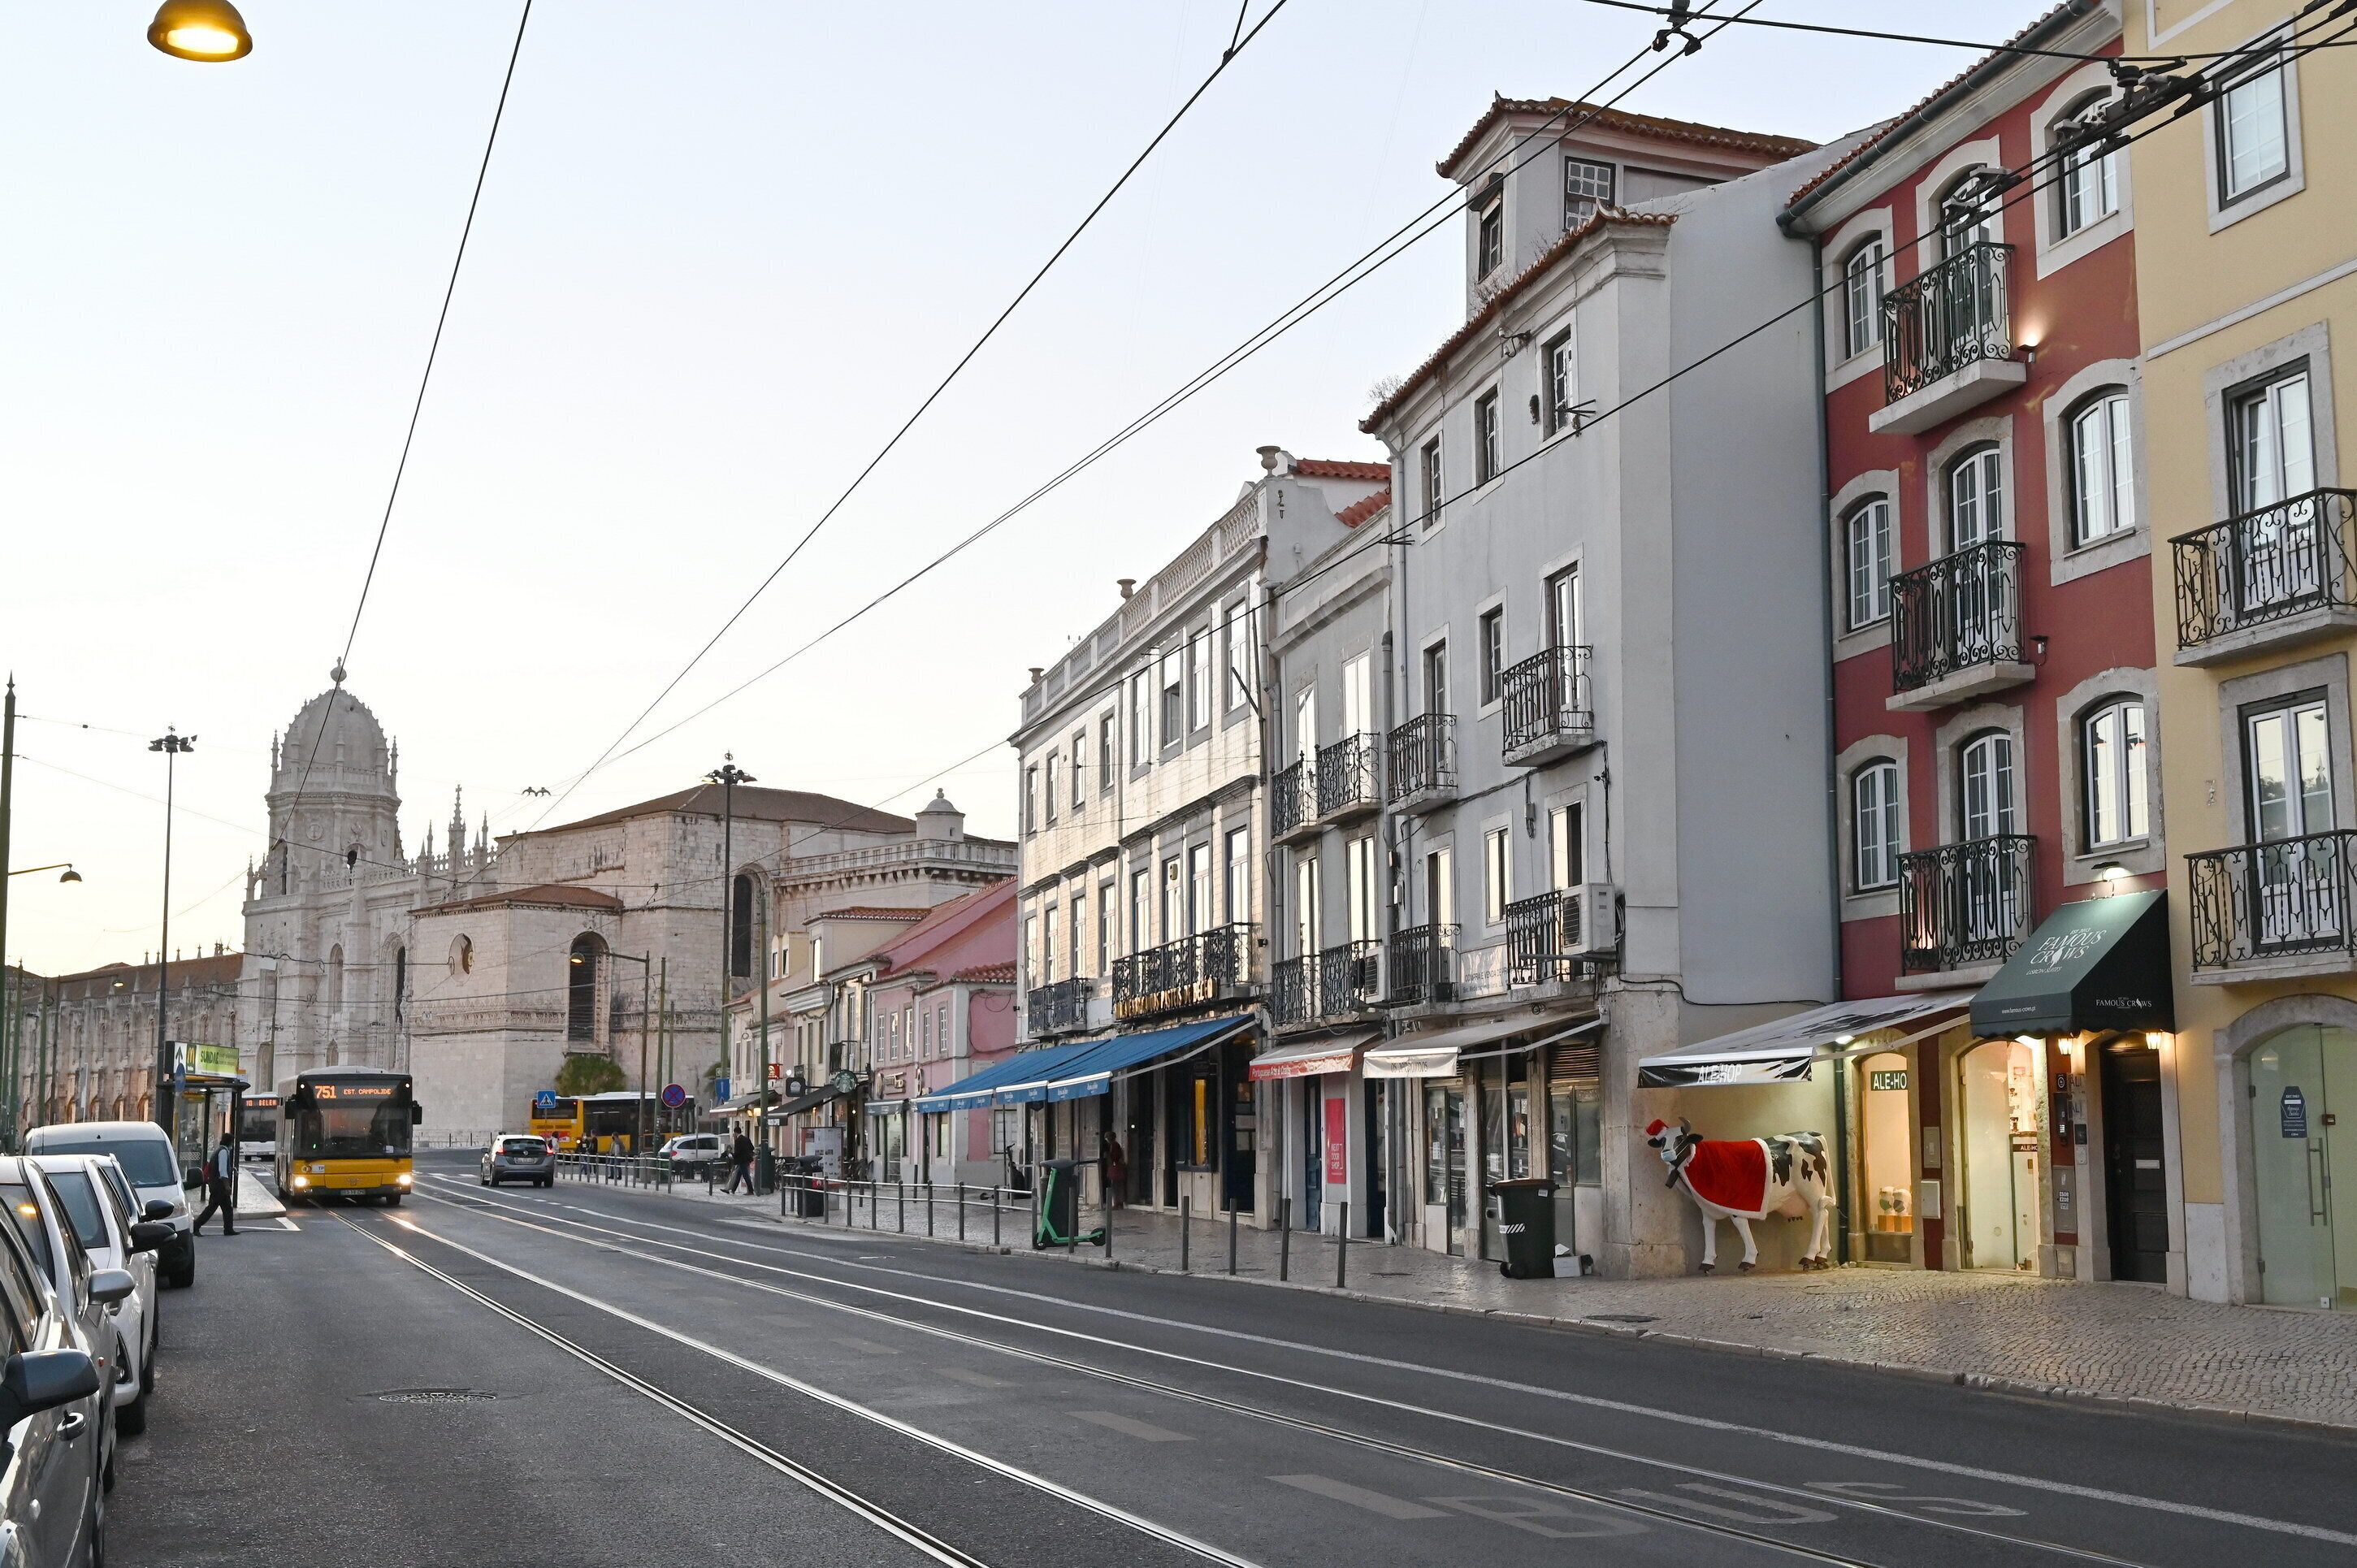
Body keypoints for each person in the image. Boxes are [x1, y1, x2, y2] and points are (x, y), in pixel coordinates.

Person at [193, 1131, 238, 1237]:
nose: (233, 1145)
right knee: (216, 1208)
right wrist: (227, 1186)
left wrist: (230, 1169)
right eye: (232, 1142)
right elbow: (222, 1170)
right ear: (230, 1142)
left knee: (224, 1207)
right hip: (219, 1186)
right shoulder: (223, 1152)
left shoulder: (218, 1151)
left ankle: (228, 1229)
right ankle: (196, 1225)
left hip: (215, 1184)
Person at [1099, 1131, 1127, 1211]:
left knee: (1116, 1186)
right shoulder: (1113, 1145)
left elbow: (1114, 1157)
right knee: (1116, 1186)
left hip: (1115, 1168)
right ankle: (1117, 1203)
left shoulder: (1114, 1145)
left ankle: (1117, 1203)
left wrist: (1109, 1157)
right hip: (1115, 1168)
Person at [725, 1128, 756, 1193]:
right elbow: (752, 1148)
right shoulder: (746, 1139)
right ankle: (733, 1190)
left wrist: (732, 1155)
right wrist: (747, 1153)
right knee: (738, 1175)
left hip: (741, 1160)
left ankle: (751, 1191)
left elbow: (737, 1152)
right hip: (747, 1159)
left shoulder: (738, 1140)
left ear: (735, 1133)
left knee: (746, 1176)